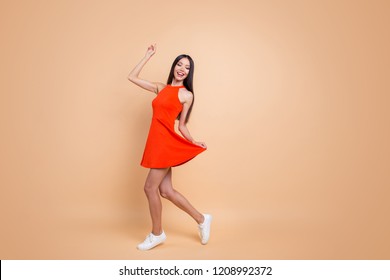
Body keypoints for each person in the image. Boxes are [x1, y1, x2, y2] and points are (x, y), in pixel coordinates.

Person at [128, 44, 212, 251]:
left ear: (189, 73)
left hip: (165, 144)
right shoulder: (161, 88)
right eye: (179, 64)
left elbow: (181, 124)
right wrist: (147, 55)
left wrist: (192, 142)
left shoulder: (186, 95)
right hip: (155, 141)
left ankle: (157, 234)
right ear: (174, 67)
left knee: (149, 188)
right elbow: (132, 77)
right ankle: (202, 219)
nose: (182, 69)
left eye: (187, 67)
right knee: (165, 191)